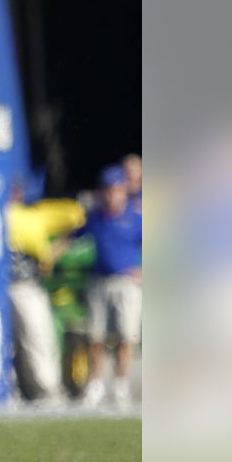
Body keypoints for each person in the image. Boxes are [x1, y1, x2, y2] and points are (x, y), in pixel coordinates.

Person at [6, 182, 85, 403]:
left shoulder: (31, 215)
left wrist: (53, 251)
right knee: (28, 340)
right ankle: (34, 390)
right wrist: (50, 253)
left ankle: (41, 390)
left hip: (26, 286)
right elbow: (77, 215)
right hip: (8, 287)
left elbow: (77, 216)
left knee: (35, 338)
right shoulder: (20, 215)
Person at [79, 165, 142, 408]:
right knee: (96, 336)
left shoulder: (135, 218)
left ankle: (120, 384)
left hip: (126, 282)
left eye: (115, 190)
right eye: (107, 190)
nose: (111, 195)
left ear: (123, 191)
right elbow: (74, 234)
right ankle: (96, 383)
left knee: (126, 336)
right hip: (99, 281)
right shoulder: (95, 217)